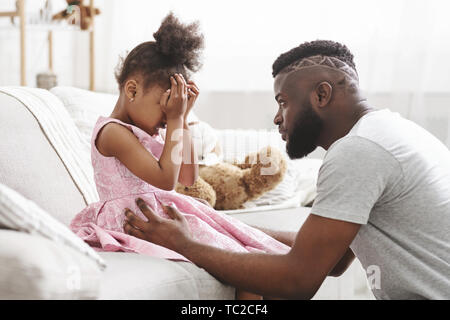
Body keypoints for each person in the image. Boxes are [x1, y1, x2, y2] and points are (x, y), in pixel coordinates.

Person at [123, 40, 450, 300]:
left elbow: (298, 280)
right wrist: (220, 227)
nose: (277, 117)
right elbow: (334, 259)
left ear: (322, 94)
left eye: (283, 101)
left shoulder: (358, 150)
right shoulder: (390, 132)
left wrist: (186, 245)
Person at [70, 13, 290, 299]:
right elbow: (164, 180)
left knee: (254, 257)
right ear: (132, 90)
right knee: (246, 268)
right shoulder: (112, 133)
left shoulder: (152, 130)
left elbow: (187, 176)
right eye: (165, 110)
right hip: (138, 222)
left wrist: (182, 119)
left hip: (162, 216)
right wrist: (174, 121)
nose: (167, 119)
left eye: (171, 112)